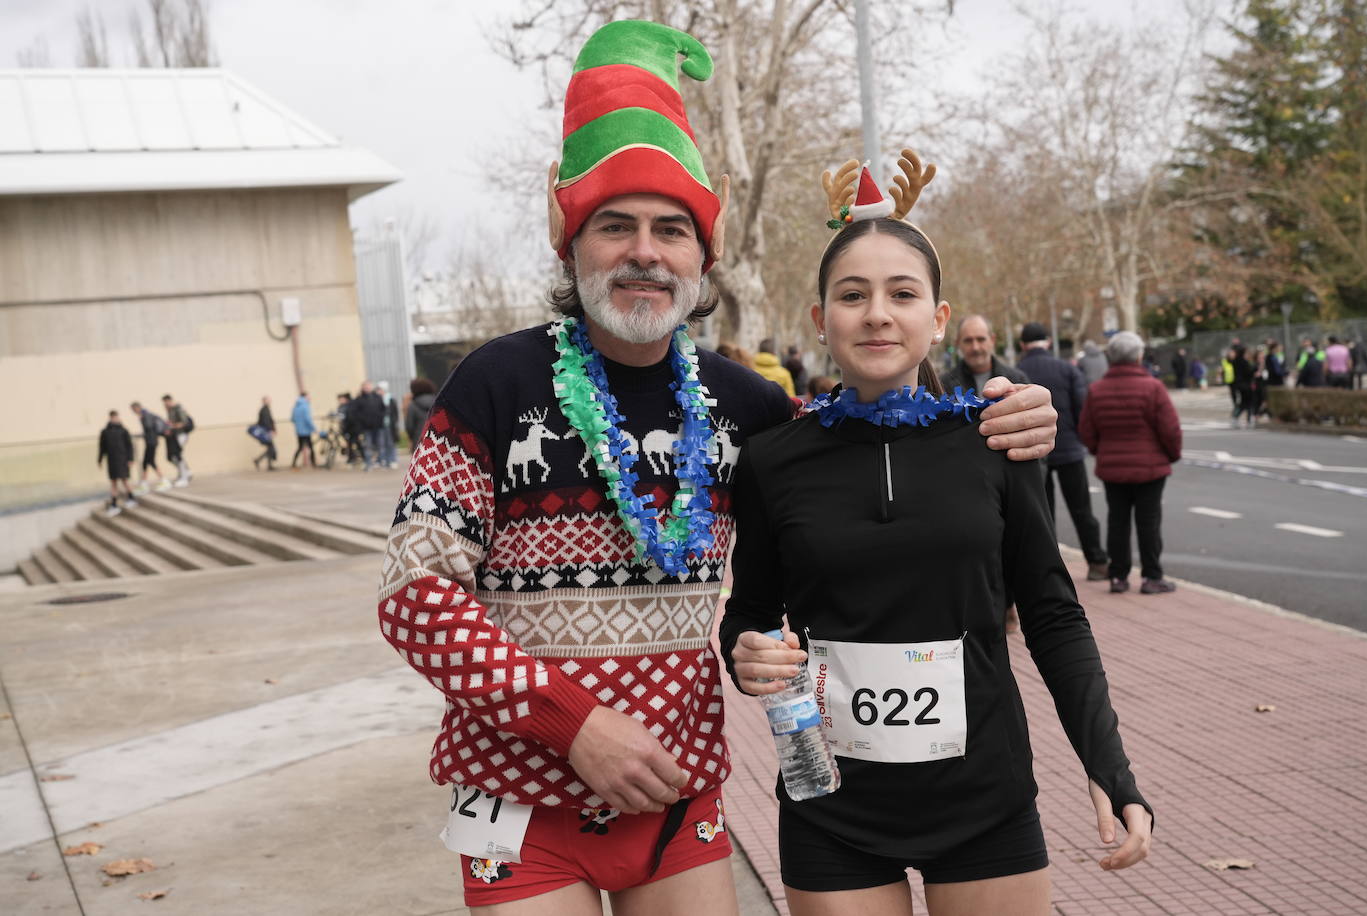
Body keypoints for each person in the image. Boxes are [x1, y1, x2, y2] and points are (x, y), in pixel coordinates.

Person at [375, 21, 1058, 915]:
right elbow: (413, 596)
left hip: (676, 796)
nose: (645, 253)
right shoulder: (492, 383)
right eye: (614, 227)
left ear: (706, 253)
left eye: (671, 230)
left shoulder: (751, 406)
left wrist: (1001, 416)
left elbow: (874, 447)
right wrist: (573, 726)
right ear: (568, 239)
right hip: (518, 798)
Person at [720, 159, 1152, 916]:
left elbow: (1052, 615)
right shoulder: (771, 461)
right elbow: (748, 616)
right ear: (820, 321)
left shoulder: (997, 439)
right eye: (852, 296)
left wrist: (1108, 766)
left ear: (940, 318)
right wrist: (746, 653)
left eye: (902, 294)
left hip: (985, 801)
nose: (877, 314)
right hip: (832, 807)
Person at [1079, 331, 1182, 595]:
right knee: (1149, 522)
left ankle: (1118, 576)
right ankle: (1151, 577)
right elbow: (1170, 430)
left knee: (1117, 522)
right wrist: (1170, 455)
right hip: (1151, 468)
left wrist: (1100, 451)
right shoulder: (1154, 388)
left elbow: (1087, 430)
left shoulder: (1097, 390)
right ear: (1138, 356)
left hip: (1113, 469)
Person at [1018, 321, 1110, 580]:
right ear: (1047, 341)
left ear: (1023, 345)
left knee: (1043, 515)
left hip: (1034, 453)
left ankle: (1050, 571)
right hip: (1069, 448)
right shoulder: (1066, 369)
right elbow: (1083, 408)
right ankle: (1097, 562)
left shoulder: (1017, 371)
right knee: (1082, 509)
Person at [940, 313, 1028, 394]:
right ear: (958, 343)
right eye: (968, 341)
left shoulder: (1017, 380)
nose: (975, 347)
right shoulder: (943, 385)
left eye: (981, 339)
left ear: (992, 340)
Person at [97, 410, 137, 516]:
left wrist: (131, 459)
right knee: (113, 482)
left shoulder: (123, 430)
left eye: (116, 417)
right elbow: (102, 447)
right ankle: (114, 504)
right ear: (110, 418)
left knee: (125, 480)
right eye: (113, 417)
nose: (115, 419)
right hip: (112, 461)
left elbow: (129, 446)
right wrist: (100, 459)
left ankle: (131, 498)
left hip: (122, 459)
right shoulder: (105, 432)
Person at [129, 401, 172, 492]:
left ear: (137, 408)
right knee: (147, 462)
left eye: (133, 410)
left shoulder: (145, 416)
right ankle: (144, 483)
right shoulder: (146, 415)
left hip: (151, 441)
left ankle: (163, 480)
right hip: (150, 441)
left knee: (149, 461)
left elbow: (149, 429)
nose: (133, 412)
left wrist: (141, 434)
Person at [351, 381, 386, 471]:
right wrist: (362, 422)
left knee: (380, 445)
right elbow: (355, 413)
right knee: (368, 445)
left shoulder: (377, 397)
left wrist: (380, 419)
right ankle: (369, 463)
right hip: (366, 427)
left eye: (369, 386)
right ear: (362, 388)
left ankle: (381, 462)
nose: (367, 388)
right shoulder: (359, 399)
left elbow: (383, 409)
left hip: (378, 425)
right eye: (365, 386)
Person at [161, 394, 193, 486]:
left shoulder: (178, 408)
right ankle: (185, 472)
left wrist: (172, 426)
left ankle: (184, 477)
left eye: (166, 402)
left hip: (181, 435)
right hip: (175, 435)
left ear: (170, 400)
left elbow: (184, 422)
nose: (165, 404)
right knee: (174, 456)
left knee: (178, 455)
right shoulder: (170, 410)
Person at [404, 378, 437, 448]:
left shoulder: (413, 405)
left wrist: (411, 437)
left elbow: (409, 426)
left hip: (419, 441)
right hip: (436, 440)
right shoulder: (437, 402)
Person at [1229, 344, 1255, 428]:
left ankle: (1237, 418)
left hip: (1239, 384)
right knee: (1248, 403)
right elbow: (1249, 372)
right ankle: (1248, 419)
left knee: (1244, 403)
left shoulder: (1235, 361)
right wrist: (1254, 368)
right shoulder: (1244, 362)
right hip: (1245, 385)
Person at [377, 380, 401, 468]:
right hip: (381, 425)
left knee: (390, 443)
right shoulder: (378, 399)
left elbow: (395, 413)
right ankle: (386, 461)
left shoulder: (390, 399)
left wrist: (395, 423)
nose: (378, 391)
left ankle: (393, 460)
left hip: (390, 425)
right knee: (382, 443)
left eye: (380, 389)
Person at [290, 392, 317, 469]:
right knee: (311, 447)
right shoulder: (305, 406)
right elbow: (307, 419)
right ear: (305, 397)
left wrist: (298, 425)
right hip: (306, 431)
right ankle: (313, 463)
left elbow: (292, 419)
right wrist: (314, 429)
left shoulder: (296, 406)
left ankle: (293, 463)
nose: (310, 398)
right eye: (308, 397)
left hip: (299, 431)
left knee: (300, 447)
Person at [252, 395, 277, 471]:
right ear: (264, 401)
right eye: (268, 400)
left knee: (270, 448)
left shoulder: (265, 409)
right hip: (266, 432)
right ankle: (258, 460)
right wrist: (270, 430)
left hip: (266, 431)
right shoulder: (264, 410)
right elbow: (266, 422)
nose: (270, 401)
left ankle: (266, 464)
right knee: (271, 448)